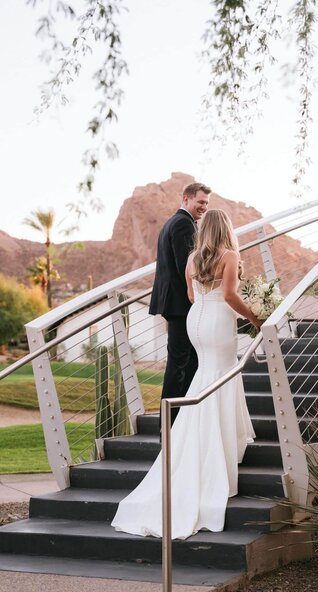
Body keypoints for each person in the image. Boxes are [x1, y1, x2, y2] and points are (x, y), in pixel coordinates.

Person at [111, 209, 263, 540]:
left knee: (205, 375)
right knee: (222, 374)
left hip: (196, 321)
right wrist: (255, 318)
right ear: (226, 229)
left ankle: (199, 437)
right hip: (219, 321)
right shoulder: (230, 255)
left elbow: (193, 296)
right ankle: (218, 451)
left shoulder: (193, 258)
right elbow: (230, 295)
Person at [149, 182, 211, 425]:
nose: (203, 207)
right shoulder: (184, 224)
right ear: (186, 199)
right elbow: (187, 267)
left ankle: (182, 417)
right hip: (181, 305)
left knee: (187, 360)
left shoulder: (172, 223)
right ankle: (172, 421)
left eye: (206, 203)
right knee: (180, 363)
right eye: (200, 202)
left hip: (174, 304)